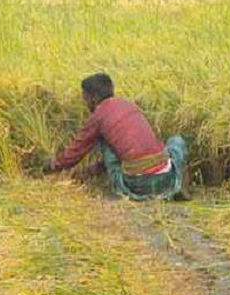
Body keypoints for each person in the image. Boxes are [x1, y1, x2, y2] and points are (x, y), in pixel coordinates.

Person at [43, 73, 190, 201]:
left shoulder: (98, 116)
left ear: (93, 98)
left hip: (137, 184)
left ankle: (123, 188)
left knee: (106, 142)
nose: (85, 104)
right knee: (176, 141)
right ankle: (179, 185)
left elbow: (76, 151)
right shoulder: (129, 105)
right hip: (167, 176)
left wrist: (52, 165)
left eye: (85, 99)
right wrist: (89, 171)